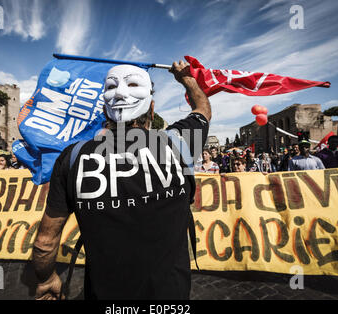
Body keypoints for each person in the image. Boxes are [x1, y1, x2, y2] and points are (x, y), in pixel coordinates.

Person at [32, 60, 211, 300]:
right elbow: (203, 109)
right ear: (152, 107)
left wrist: (46, 278)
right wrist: (186, 79)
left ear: (106, 109)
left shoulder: (73, 157)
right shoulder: (179, 143)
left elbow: (45, 242)